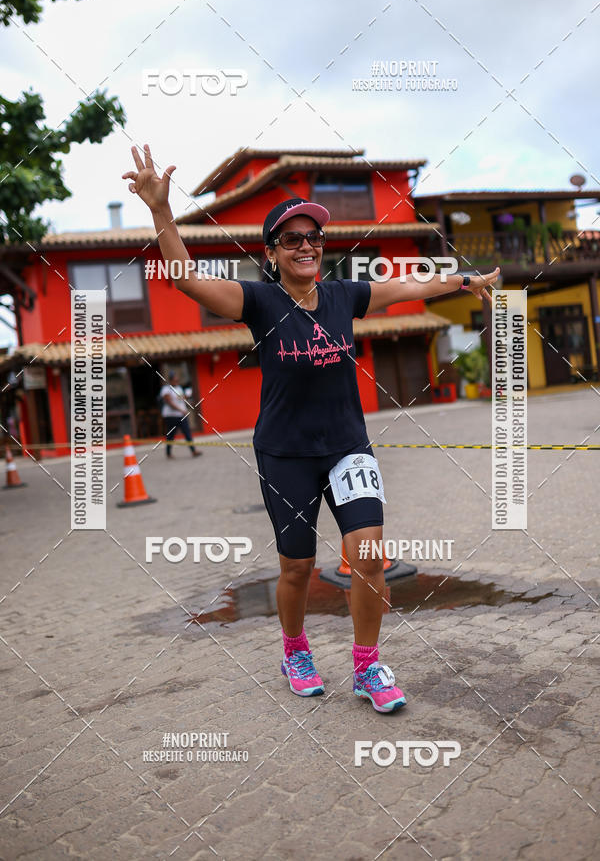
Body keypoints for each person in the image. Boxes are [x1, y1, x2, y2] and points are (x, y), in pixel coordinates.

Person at [123, 144, 499, 713]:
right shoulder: (259, 301)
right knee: (296, 567)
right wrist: (162, 212)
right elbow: (189, 282)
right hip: (285, 455)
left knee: (368, 556)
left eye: (314, 238)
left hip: (348, 447)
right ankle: (294, 650)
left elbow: (406, 287)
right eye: (293, 239)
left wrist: (463, 282)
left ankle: (367, 665)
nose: (307, 246)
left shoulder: (345, 294)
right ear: (273, 253)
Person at [159, 370, 202, 459]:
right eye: (175, 380)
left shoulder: (178, 388)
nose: (177, 381)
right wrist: (180, 410)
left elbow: (180, 399)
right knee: (171, 435)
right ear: (170, 380)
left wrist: (187, 396)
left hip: (181, 415)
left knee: (187, 432)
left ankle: (193, 451)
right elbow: (169, 402)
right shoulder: (166, 389)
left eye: (177, 380)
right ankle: (168, 453)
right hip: (171, 416)